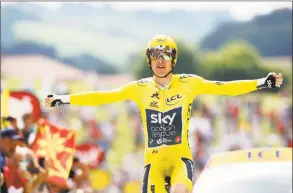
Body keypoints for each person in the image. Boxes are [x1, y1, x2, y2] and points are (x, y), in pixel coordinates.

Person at [44, 35, 283, 193]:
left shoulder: (190, 82)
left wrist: (262, 82)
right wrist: (64, 99)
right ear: (149, 61)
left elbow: (226, 87)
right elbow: (103, 96)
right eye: (155, 56)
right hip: (153, 163)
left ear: (173, 59)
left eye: (165, 56)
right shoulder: (138, 88)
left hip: (180, 161)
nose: (160, 61)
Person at [0, 127, 23, 193]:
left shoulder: (3, 158)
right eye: (12, 141)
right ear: (1, 140)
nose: (14, 146)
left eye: (16, 143)